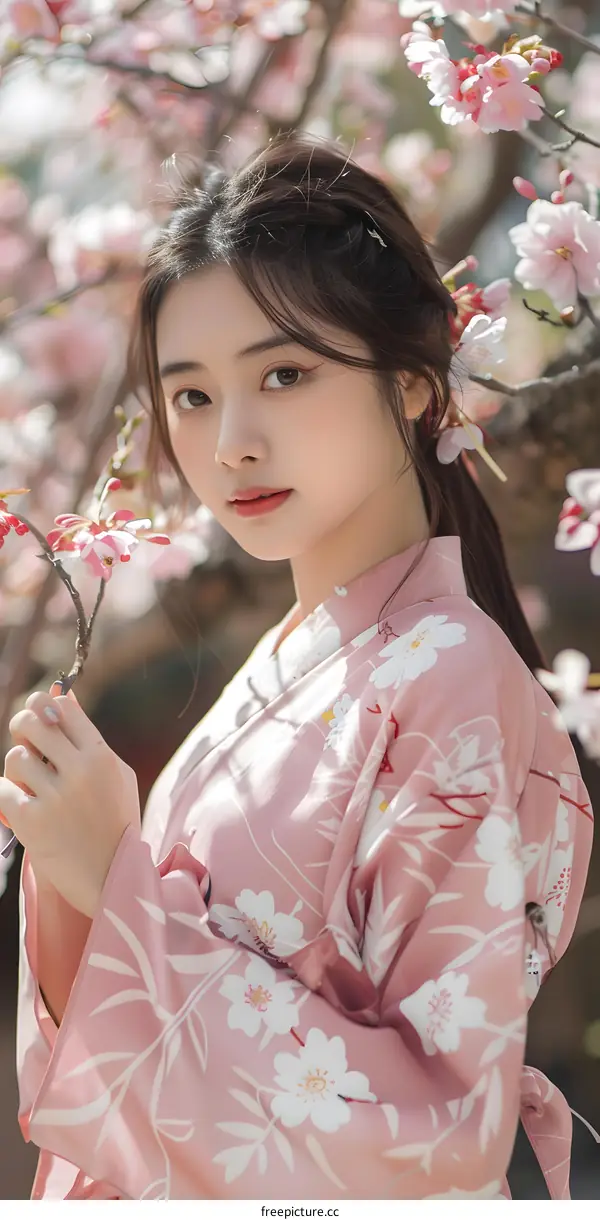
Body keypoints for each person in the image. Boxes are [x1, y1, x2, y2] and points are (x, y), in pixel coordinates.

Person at [5, 133, 595, 1201]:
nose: (231, 440)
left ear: (414, 384)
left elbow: (439, 1125)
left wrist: (116, 881)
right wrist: (80, 871)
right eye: (191, 395)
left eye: (284, 373)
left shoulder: (453, 675)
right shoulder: (290, 670)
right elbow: (101, 1055)